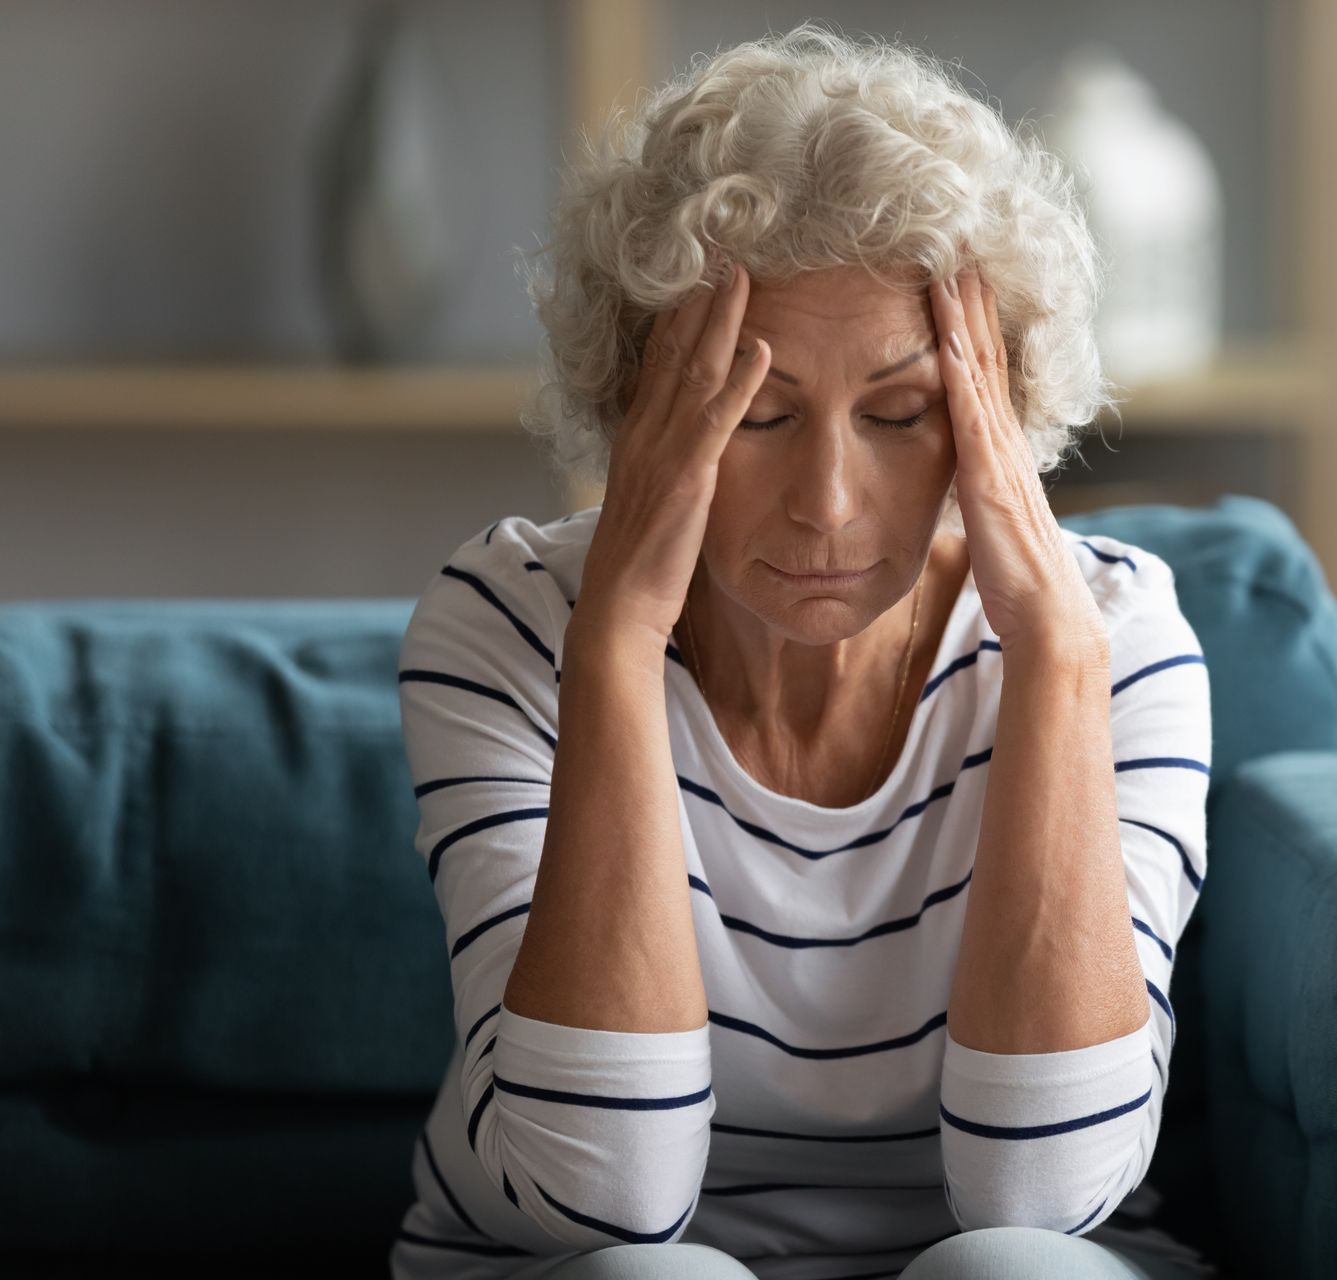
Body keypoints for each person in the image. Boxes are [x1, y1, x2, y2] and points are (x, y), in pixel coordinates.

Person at [389, 20, 1214, 1280]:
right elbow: (597, 1198)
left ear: (999, 413)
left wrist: (1053, 660)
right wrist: (614, 644)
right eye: (757, 414)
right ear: (634, 410)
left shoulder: (1114, 637)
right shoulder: (505, 622)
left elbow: (1042, 1191)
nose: (826, 500)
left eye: (898, 414)